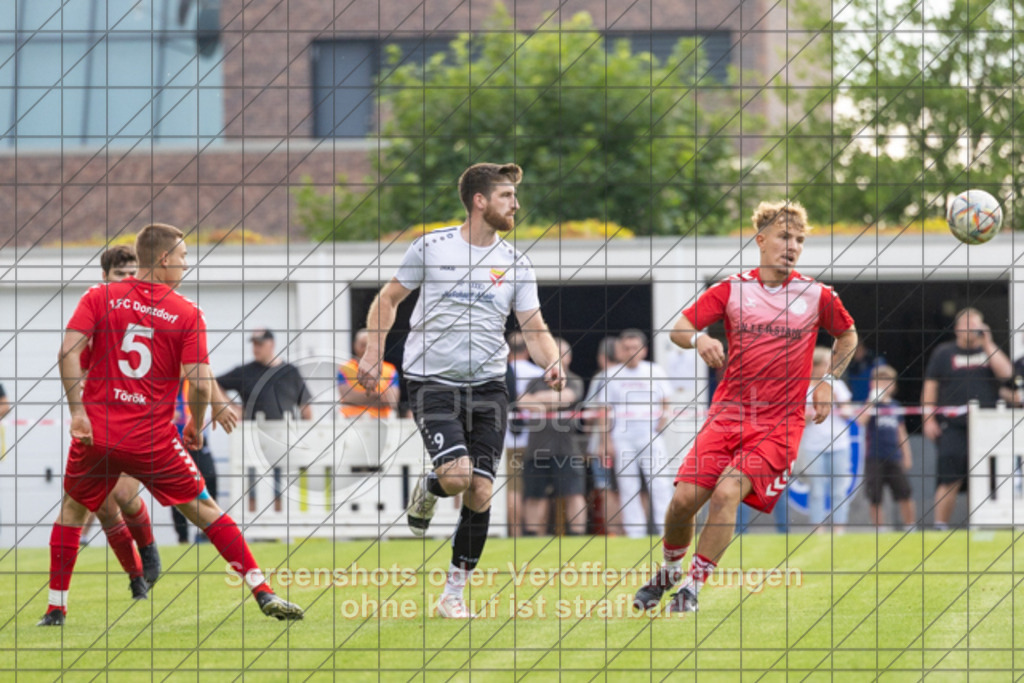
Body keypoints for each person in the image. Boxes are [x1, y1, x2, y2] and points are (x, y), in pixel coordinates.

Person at [39, 223, 303, 626]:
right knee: (206, 511)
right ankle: (262, 589)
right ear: (163, 259)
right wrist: (196, 421)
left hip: (98, 433)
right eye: (182, 257)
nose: (185, 265)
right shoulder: (187, 312)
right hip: (150, 439)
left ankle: (56, 609)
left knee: (72, 512)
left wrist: (78, 411)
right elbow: (200, 381)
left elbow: (66, 353)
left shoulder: (98, 296)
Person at [358, 162, 564, 619]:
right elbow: (389, 298)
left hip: (490, 386)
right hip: (432, 381)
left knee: (481, 491)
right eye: (507, 196)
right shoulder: (431, 248)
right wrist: (373, 352)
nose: (515, 204)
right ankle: (433, 487)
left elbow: (534, 327)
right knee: (457, 478)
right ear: (479, 200)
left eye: (515, 196)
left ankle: (453, 594)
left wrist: (551, 361)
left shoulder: (517, 263)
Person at [633, 200, 857, 615]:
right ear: (761, 240)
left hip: (779, 424)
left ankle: (692, 587)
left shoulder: (816, 294)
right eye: (784, 237)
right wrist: (701, 339)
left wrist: (827, 380)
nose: (792, 246)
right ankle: (668, 572)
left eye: (799, 240)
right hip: (728, 415)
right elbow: (679, 329)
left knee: (727, 492)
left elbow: (848, 335)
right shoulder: (732, 289)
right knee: (683, 501)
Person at [64, 247, 162, 587]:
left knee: (123, 494)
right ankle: (136, 576)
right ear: (104, 277)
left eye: (134, 273)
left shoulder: (155, 311)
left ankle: (148, 549)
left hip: (139, 419)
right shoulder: (95, 310)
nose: (129, 280)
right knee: (104, 506)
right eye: (121, 274)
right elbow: (75, 360)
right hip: (100, 420)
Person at [922, 307, 1012, 530]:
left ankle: (979, 524)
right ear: (957, 329)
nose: (971, 329)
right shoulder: (944, 353)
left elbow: (1007, 374)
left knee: (983, 477)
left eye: (976, 325)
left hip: (986, 426)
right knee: (949, 476)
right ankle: (940, 525)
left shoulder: (989, 350)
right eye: (967, 325)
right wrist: (928, 419)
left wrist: (988, 343)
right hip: (953, 425)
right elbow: (930, 387)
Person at [591, 329, 672, 538]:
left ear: (644, 350)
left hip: (650, 436)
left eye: (635, 347)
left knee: (660, 483)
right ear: (620, 350)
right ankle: (635, 533)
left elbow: (666, 402)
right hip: (622, 438)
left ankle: (667, 530)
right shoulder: (611, 375)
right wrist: (606, 441)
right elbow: (604, 410)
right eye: (626, 348)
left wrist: (659, 427)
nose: (631, 352)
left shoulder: (655, 371)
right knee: (628, 485)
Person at [783, 346, 854, 533]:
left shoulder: (837, 385)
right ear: (815, 365)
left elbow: (848, 413)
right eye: (825, 363)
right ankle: (817, 529)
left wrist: (838, 402)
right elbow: (797, 419)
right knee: (817, 490)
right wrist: (813, 412)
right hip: (812, 446)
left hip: (839, 443)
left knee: (839, 489)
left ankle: (839, 528)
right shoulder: (803, 388)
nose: (829, 367)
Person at [520, 338, 586, 535]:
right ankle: (532, 537)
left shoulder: (574, 380)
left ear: (569, 358)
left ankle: (577, 536)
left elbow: (567, 398)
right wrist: (551, 402)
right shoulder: (534, 382)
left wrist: (539, 403)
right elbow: (522, 403)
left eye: (560, 354)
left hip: (567, 449)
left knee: (573, 493)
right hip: (536, 449)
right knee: (534, 495)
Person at [858, 365, 916, 529]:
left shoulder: (895, 406)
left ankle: (910, 526)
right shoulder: (870, 405)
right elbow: (860, 421)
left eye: (888, 381)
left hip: (894, 456)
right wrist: (871, 401)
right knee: (875, 496)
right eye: (880, 381)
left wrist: (907, 455)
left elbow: (901, 433)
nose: (884, 385)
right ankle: (879, 528)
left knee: (905, 492)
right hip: (874, 457)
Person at [217, 328, 313, 421]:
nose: (256, 348)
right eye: (254, 344)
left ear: (271, 344)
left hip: (285, 430)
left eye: (260, 344)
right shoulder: (244, 372)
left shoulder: (290, 372)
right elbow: (215, 384)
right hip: (253, 429)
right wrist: (233, 408)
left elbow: (305, 406)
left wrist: (307, 429)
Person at [504, 331, 544, 536]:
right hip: (535, 439)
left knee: (513, 489)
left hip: (507, 439)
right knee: (537, 491)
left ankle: (516, 533)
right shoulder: (538, 373)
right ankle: (537, 533)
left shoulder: (499, 373)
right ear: (527, 350)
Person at [584, 337, 622, 535]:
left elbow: (591, 413)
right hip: (632, 443)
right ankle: (632, 533)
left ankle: (614, 533)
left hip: (602, 445)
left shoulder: (602, 377)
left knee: (606, 488)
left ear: (601, 357)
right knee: (630, 488)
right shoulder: (632, 375)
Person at [338, 328, 399, 418]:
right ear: (355, 345)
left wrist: (360, 398)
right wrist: (377, 396)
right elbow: (348, 397)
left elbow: (392, 401)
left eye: (369, 346)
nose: (365, 349)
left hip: (381, 420)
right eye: (362, 345)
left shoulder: (389, 369)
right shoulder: (345, 368)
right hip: (352, 420)